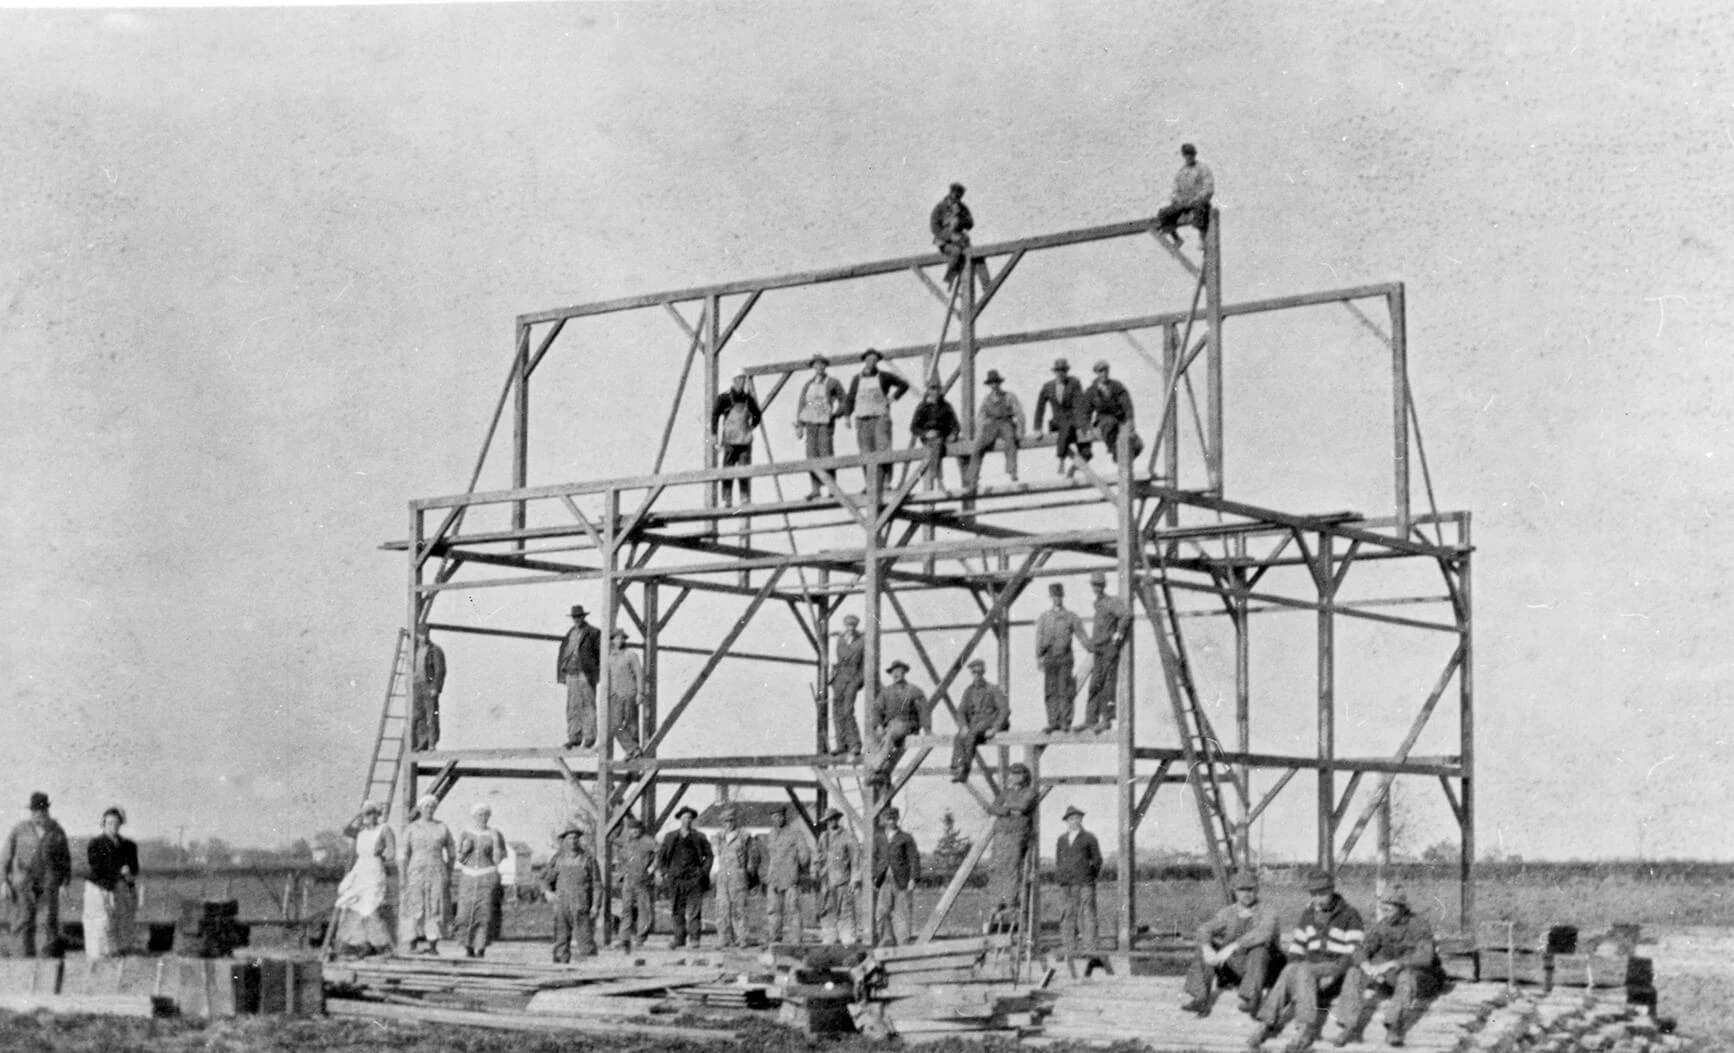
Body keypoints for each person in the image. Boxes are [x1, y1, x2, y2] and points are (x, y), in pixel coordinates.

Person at [1249, 870, 1365, 1052]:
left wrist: (1334, 974)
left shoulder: (1350, 915)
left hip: (1335, 969)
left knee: (1304, 969)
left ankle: (1305, 1029)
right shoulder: (1308, 914)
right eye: (1314, 895)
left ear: (1332, 891)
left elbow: (1353, 953)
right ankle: (1265, 1022)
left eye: (1322, 894)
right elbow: (1297, 948)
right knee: (1290, 970)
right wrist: (1293, 969)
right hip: (1310, 971)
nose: (1317, 899)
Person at [1333, 887, 1441, 1048]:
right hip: (1391, 978)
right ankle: (1349, 1026)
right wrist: (1366, 964)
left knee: (1407, 975)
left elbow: (1425, 957)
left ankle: (1394, 1026)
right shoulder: (1382, 925)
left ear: (1402, 908)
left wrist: (1392, 964)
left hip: (1421, 978)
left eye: (1390, 906)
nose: (1385, 909)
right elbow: (1361, 949)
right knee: (1355, 971)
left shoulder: (1419, 924)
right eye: (1383, 905)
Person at [1183, 870, 1281, 1018]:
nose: (1246, 894)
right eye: (1242, 890)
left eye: (1250, 889)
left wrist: (1233, 946)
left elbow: (1265, 932)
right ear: (1234, 891)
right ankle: (1200, 997)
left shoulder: (1268, 911)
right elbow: (1204, 929)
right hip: (1237, 968)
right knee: (1203, 947)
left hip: (1264, 969)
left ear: (1257, 889)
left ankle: (1250, 999)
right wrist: (1207, 947)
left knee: (1259, 950)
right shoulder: (1228, 913)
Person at [1, 792, 71, 958]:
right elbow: (5, 858)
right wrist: (3, 882)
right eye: (35, 811)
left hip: (48, 884)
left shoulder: (56, 831)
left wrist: (65, 883)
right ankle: (21, 964)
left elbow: (65, 859)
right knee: (22, 922)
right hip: (23, 885)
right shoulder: (19, 829)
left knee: (47, 923)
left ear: (47, 810)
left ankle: (45, 964)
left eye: (43, 810)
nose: (39, 814)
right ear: (31, 812)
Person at [331, 801, 395, 959]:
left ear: (377, 815)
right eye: (367, 814)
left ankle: (381, 944)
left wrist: (380, 856)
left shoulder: (384, 829)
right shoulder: (360, 831)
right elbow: (345, 829)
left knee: (371, 905)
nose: (369, 817)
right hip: (360, 868)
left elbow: (391, 851)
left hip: (374, 867)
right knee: (353, 904)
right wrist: (358, 815)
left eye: (372, 813)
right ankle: (359, 943)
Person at [845, 349, 911, 491]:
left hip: (880, 418)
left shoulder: (884, 377)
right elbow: (850, 397)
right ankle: (870, 484)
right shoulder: (857, 379)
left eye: (874, 360)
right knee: (865, 452)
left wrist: (893, 398)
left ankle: (886, 482)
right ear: (865, 361)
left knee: (884, 449)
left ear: (877, 362)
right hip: (862, 419)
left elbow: (904, 384)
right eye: (869, 360)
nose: (871, 363)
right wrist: (847, 416)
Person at [399, 794, 454, 955]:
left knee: (435, 905)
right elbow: (402, 854)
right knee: (415, 904)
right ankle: (412, 942)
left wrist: (449, 872)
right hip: (416, 870)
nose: (429, 810)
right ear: (420, 809)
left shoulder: (442, 827)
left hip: (437, 869)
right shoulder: (412, 828)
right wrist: (403, 876)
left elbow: (451, 852)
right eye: (426, 807)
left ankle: (432, 944)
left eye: (432, 807)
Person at [82, 806, 140, 959]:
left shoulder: (128, 846)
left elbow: (134, 868)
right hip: (100, 888)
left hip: (120, 888)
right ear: (103, 824)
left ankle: (120, 952)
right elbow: (96, 867)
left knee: (122, 921)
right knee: (101, 924)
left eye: (116, 823)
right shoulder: (96, 844)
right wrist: (118, 871)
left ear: (120, 824)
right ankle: (99, 956)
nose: (113, 826)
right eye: (109, 823)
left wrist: (129, 871)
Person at [984, 764, 1039, 922]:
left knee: (1012, 867)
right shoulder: (1005, 793)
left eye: (1019, 774)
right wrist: (1008, 810)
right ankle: (996, 902)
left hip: (1017, 832)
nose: (1016, 777)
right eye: (1013, 774)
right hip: (1001, 832)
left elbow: (1023, 807)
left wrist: (1005, 809)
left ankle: (1010, 902)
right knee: (996, 866)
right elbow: (993, 808)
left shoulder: (1029, 791)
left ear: (1025, 776)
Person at [454, 803, 508, 958]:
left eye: (485, 815)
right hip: (468, 877)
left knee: (485, 913)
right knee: (465, 913)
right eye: (479, 815)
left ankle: (481, 947)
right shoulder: (466, 833)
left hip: (487, 876)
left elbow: (498, 860)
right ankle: (468, 947)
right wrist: (464, 850)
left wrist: (496, 842)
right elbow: (460, 859)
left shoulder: (495, 833)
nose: (482, 818)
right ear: (473, 816)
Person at [1035, 583, 1091, 733]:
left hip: (1065, 658)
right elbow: (1039, 639)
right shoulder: (1044, 618)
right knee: (1050, 691)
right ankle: (1053, 722)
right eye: (1054, 596)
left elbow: (1082, 635)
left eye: (1059, 596)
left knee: (1064, 691)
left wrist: (1093, 649)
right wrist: (1039, 658)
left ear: (1062, 597)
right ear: (1050, 597)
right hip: (1049, 658)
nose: (1056, 599)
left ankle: (1065, 722)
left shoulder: (1070, 617)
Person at [1083, 571, 1133, 731]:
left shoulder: (1111, 602)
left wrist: (1118, 634)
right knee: (1094, 685)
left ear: (1103, 586)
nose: (1095, 588)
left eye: (1098, 585)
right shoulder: (1097, 604)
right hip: (1098, 649)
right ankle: (1090, 720)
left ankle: (1106, 719)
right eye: (1094, 585)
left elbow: (1126, 614)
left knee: (1108, 686)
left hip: (1108, 649)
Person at [544, 824, 602, 962]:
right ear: (564, 840)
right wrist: (547, 891)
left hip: (582, 905)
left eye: (575, 838)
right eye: (569, 838)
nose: (573, 841)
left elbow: (597, 884)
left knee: (585, 939)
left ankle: (590, 972)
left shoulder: (588, 859)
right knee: (560, 940)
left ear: (579, 840)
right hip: (562, 905)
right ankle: (559, 972)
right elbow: (545, 879)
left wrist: (595, 905)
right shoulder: (557, 859)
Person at [657, 806, 712, 948]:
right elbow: (661, 857)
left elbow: (709, 856)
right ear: (680, 819)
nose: (686, 820)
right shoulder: (670, 837)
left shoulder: (699, 836)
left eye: (689, 817)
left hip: (694, 879)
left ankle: (694, 939)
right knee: (677, 910)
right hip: (676, 879)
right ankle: (679, 938)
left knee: (694, 910)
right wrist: (664, 871)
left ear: (692, 820)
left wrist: (703, 871)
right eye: (684, 817)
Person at [796, 355, 848, 500]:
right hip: (810, 424)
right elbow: (801, 404)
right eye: (816, 365)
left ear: (825, 366)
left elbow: (844, 400)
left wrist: (837, 414)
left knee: (826, 454)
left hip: (825, 423)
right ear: (813, 367)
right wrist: (799, 425)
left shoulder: (832, 382)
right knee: (812, 455)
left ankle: (832, 488)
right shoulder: (808, 384)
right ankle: (815, 489)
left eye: (822, 364)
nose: (819, 367)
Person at [1054, 805, 1103, 958]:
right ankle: (1070, 948)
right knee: (1067, 915)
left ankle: (1091, 949)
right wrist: (1062, 876)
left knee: (1087, 914)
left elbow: (1097, 860)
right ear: (1066, 821)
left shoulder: (1089, 838)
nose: (1074, 821)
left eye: (1076, 818)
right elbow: (1058, 860)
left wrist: (1089, 875)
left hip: (1084, 883)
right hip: (1067, 884)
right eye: (1070, 819)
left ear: (1081, 819)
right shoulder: (1061, 839)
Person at [950, 658, 1009, 782]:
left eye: (979, 672)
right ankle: (958, 766)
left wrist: (995, 728)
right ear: (971, 674)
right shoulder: (969, 691)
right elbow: (961, 711)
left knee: (971, 734)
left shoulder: (992, 689)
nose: (977, 676)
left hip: (989, 721)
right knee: (959, 737)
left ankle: (964, 770)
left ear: (983, 672)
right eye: (974, 673)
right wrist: (963, 726)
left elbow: (1004, 710)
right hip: (974, 724)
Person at [710, 370, 764, 507]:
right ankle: (726, 499)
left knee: (744, 469)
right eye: (738, 379)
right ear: (733, 381)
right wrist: (714, 435)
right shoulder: (724, 398)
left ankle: (744, 498)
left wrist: (751, 426)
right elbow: (715, 416)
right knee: (728, 469)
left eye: (743, 379)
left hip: (745, 440)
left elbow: (757, 414)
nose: (741, 382)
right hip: (729, 440)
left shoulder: (748, 399)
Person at [967, 369, 1026, 488]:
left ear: (999, 383)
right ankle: (973, 478)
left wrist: (1020, 430)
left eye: (996, 383)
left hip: (1006, 422)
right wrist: (979, 435)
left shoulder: (1009, 396)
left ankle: (1012, 470)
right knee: (978, 447)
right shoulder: (987, 400)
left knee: (1010, 439)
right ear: (989, 385)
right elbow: (981, 418)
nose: (994, 385)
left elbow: (1019, 413)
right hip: (992, 426)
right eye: (992, 383)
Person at [763, 805, 811, 946]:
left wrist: (800, 870)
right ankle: (775, 938)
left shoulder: (795, 833)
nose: (777, 819)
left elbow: (805, 856)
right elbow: (768, 857)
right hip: (774, 879)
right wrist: (767, 875)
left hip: (790, 878)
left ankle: (796, 940)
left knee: (793, 910)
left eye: (779, 816)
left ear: (785, 816)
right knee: (773, 911)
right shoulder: (771, 834)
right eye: (774, 817)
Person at [1034, 357, 1091, 476]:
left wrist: (1084, 426)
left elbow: (1079, 405)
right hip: (1058, 422)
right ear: (1055, 372)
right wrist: (1037, 428)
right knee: (1065, 427)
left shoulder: (1074, 383)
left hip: (1074, 420)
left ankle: (1073, 469)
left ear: (1066, 372)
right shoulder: (1047, 387)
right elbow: (1040, 408)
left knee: (1086, 452)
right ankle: (1061, 458)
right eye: (1058, 371)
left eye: (1063, 371)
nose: (1061, 373)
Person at [873, 808, 920, 947]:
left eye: (894, 819)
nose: (891, 821)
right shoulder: (879, 838)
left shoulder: (905, 838)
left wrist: (913, 878)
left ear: (897, 819)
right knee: (882, 912)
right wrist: (873, 877)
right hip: (883, 879)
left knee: (902, 912)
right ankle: (886, 939)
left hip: (901, 880)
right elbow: (873, 858)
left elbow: (914, 859)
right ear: (884, 821)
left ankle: (903, 942)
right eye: (888, 819)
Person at [557, 604, 602, 750]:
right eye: (574, 617)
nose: (577, 619)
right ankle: (574, 737)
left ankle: (589, 737)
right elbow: (564, 652)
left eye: (579, 617)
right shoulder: (570, 633)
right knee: (573, 706)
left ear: (584, 617)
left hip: (585, 673)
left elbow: (600, 654)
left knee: (588, 705)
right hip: (571, 672)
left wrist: (596, 673)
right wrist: (562, 673)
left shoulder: (593, 633)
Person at [1156, 143, 1215, 248]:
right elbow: (1174, 191)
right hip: (1183, 204)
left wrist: (1197, 198)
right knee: (1163, 213)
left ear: (1194, 155)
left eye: (1190, 154)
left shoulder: (1203, 169)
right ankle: (1177, 239)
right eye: (1186, 155)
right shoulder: (1181, 172)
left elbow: (1208, 188)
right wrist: (1178, 199)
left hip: (1197, 202)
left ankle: (1201, 237)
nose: (1188, 157)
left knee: (1200, 210)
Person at [613, 815, 658, 952]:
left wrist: (653, 867)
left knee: (644, 909)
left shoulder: (648, 841)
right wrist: (619, 823)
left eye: (636, 829)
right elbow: (612, 839)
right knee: (626, 909)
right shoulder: (625, 842)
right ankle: (624, 938)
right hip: (628, 879)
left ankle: (640, 937)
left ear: (641, 829)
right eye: (631, 829)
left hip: (643, 879)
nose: (634, 832)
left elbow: (660, 853)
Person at [815, 810, 859, 945]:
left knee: (845, 909)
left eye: (833, 819)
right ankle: (829, 937)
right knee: (827, 910)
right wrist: (817, 870)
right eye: (828, 820)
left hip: (843, 879)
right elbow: (819, 856)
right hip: (827, 881)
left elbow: (855, 858)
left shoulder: (847, 836)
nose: (831, 822)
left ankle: (847, 937)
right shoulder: (824, 837)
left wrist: (854, 878)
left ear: (838, 820)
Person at [712, 807, 753, 947]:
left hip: (738, 874)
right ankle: (724, 938)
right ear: (722, 823)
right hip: (723, 875)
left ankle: (742, 938)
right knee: (722, 908)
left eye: (731, 821)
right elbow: (716, 856)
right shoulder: (719, 837)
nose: (728, 824)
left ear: (735, 821)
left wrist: (748, 873)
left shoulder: (744, 836)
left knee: (739, 908)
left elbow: (753, 857)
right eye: (725, 821)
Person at [909, 379, 962, 490]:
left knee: (962, 445)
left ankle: (967, 480)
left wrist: (954, 434)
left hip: (944, 435)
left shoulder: (946, 406)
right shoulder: (922, 407)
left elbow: (955, 425)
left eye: (937, 388)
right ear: (928, 390)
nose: (935, 392)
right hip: (930, 438)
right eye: (932, 388)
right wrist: (926, 433)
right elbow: (913, 427)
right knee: (937, 443)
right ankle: (938, 477)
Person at [827, 615, 866, 757]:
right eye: (848, 626)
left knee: (847, 710)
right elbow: (838, 658)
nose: (850, 628)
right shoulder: (841, 639)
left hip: (853, 677)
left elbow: (865, 663)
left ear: (856, 627)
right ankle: (841, 744)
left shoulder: (862, 640)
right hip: (839, 678)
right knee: (837, 710)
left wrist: (859, 680)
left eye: (853, 626)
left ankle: (855, 744)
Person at [1086, 360, 1138, 464]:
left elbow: (1127, 404)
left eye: (1106, 371)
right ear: (1096, 373)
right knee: (1110, 424)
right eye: (1101, 371)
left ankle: (1121, 460)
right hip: (1104, 419)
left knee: (1138, 444)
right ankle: (1116, 453)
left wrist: (1130, 420)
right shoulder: (1091, 391)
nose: (1104, 374)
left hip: (1120, 419)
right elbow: (1086, 411)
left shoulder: (1116, 386)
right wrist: (1087, 427)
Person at [607, 628, 645, 758]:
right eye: (617, 638)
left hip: (630, 693)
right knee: (615, 725)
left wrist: (640, 692)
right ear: (612, 640)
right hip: (616, 695)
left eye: (622, 638)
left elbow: (639, 674)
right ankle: (632, 748)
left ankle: (634, 752)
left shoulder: (631, 655)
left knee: (631, 724)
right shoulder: (610, 657)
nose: (620, 640)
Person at [929, 182, 974, 285]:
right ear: (951, 193)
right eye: (955, 195)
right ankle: (949, 280)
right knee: (956, 251)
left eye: (959, 196)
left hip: (960, 239)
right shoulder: (940, 207)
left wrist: (960, 221)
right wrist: (949, 236)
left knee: (974, 254)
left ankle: (987, 285)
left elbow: (970, 223)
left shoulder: (962, 208)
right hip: (944, 242)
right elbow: (934, 226)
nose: (957, 198)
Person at [412, 626, 447, 751]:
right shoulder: (414, 651)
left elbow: (440, 670)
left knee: (431, 716)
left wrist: (435, 687)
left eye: (425, 634)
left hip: (428, 684)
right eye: (421, 635)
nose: (423, 637)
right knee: (418, 716)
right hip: (416, 685)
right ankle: (422, 743)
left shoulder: (434, 650)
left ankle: (432, 743)